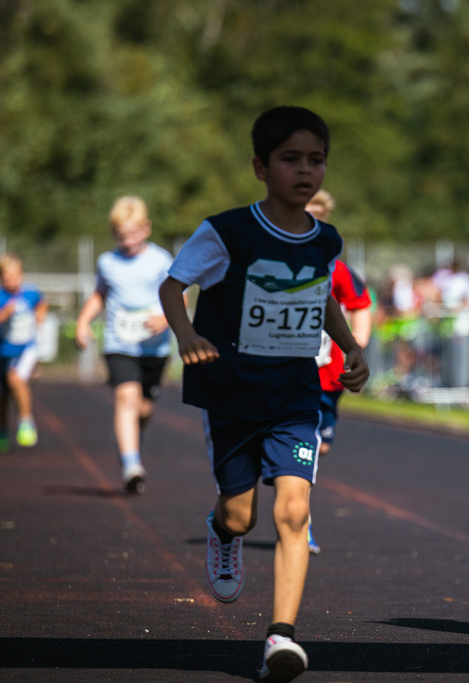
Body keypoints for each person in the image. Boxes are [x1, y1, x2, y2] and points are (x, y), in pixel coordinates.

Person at [158, 105, 368, 683]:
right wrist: (188, 335)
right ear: (261, 166)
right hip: (230, 393)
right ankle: (222, 530)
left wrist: (350, 345)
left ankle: (282, 636)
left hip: (294, 395)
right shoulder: (227, 231)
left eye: (316, 160)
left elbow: (320, 293)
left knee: (294, 509)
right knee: (241, 513)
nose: (305, 171)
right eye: (291, 159)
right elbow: (173, 286)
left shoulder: (326, 238)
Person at [74, 196, 174, 494]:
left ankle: (130, 440)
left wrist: (165, 319)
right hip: (119, 343)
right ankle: (131, 465)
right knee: (126, 398)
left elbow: (177, 296)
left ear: (146, 229)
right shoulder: (107, 262)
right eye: (121, 236)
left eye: (132, 234)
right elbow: (99, 295)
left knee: (143, 409)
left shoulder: (162, 260)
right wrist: (82, 322)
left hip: (154, 348)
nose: (127, 241)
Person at [304, 189, 373, 555]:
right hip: (290, 371)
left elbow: (360, 305)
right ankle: (302, 523)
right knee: (305, 447)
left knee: (321, 445)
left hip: (329, 372)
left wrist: (355, 345)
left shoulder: (338, 269)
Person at [0, 253, 47, 451]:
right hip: (4, 350)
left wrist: (39, 315)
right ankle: (2, 429)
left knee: (15, 379)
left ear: (22, 274)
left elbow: (41, 303)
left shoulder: (30, 293)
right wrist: (2, 315)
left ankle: (26, 422)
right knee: (2, 394)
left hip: (26, 348)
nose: (12, 281)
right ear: (0, 279)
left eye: (15, 276)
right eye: (7, 278)